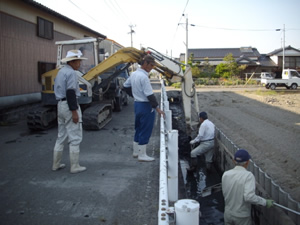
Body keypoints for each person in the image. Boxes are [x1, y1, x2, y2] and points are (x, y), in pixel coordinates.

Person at [123, 55, 164, 162]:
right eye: (151, 65)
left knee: (138, 127)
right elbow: (150, 95)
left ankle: (136, 151)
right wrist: (157, 108)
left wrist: (133, 95)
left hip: (137, 104)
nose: (152, 67)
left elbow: (125, 86)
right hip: (146, 105)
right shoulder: (144, 77)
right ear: (145, 63)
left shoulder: (133, 74)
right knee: (146, 128)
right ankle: (142, 155)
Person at [52, 49, 87, 174]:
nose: (80, 64)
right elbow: (71, 92)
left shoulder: (61, 72)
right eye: (78, 61)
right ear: (72, 62)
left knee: (61, 136)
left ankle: (56, 164)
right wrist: (74, 112)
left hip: (60, 105)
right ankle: (75, 166)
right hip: (69, 105)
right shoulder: (71, 73)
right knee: (75, 137)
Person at [222, 149, 274, 225]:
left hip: (228, 214)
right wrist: (265, 202)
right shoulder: (248, 176)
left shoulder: (226, 174)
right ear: (247, 162)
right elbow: (249, 197)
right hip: (241, 216)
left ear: (234, 161)